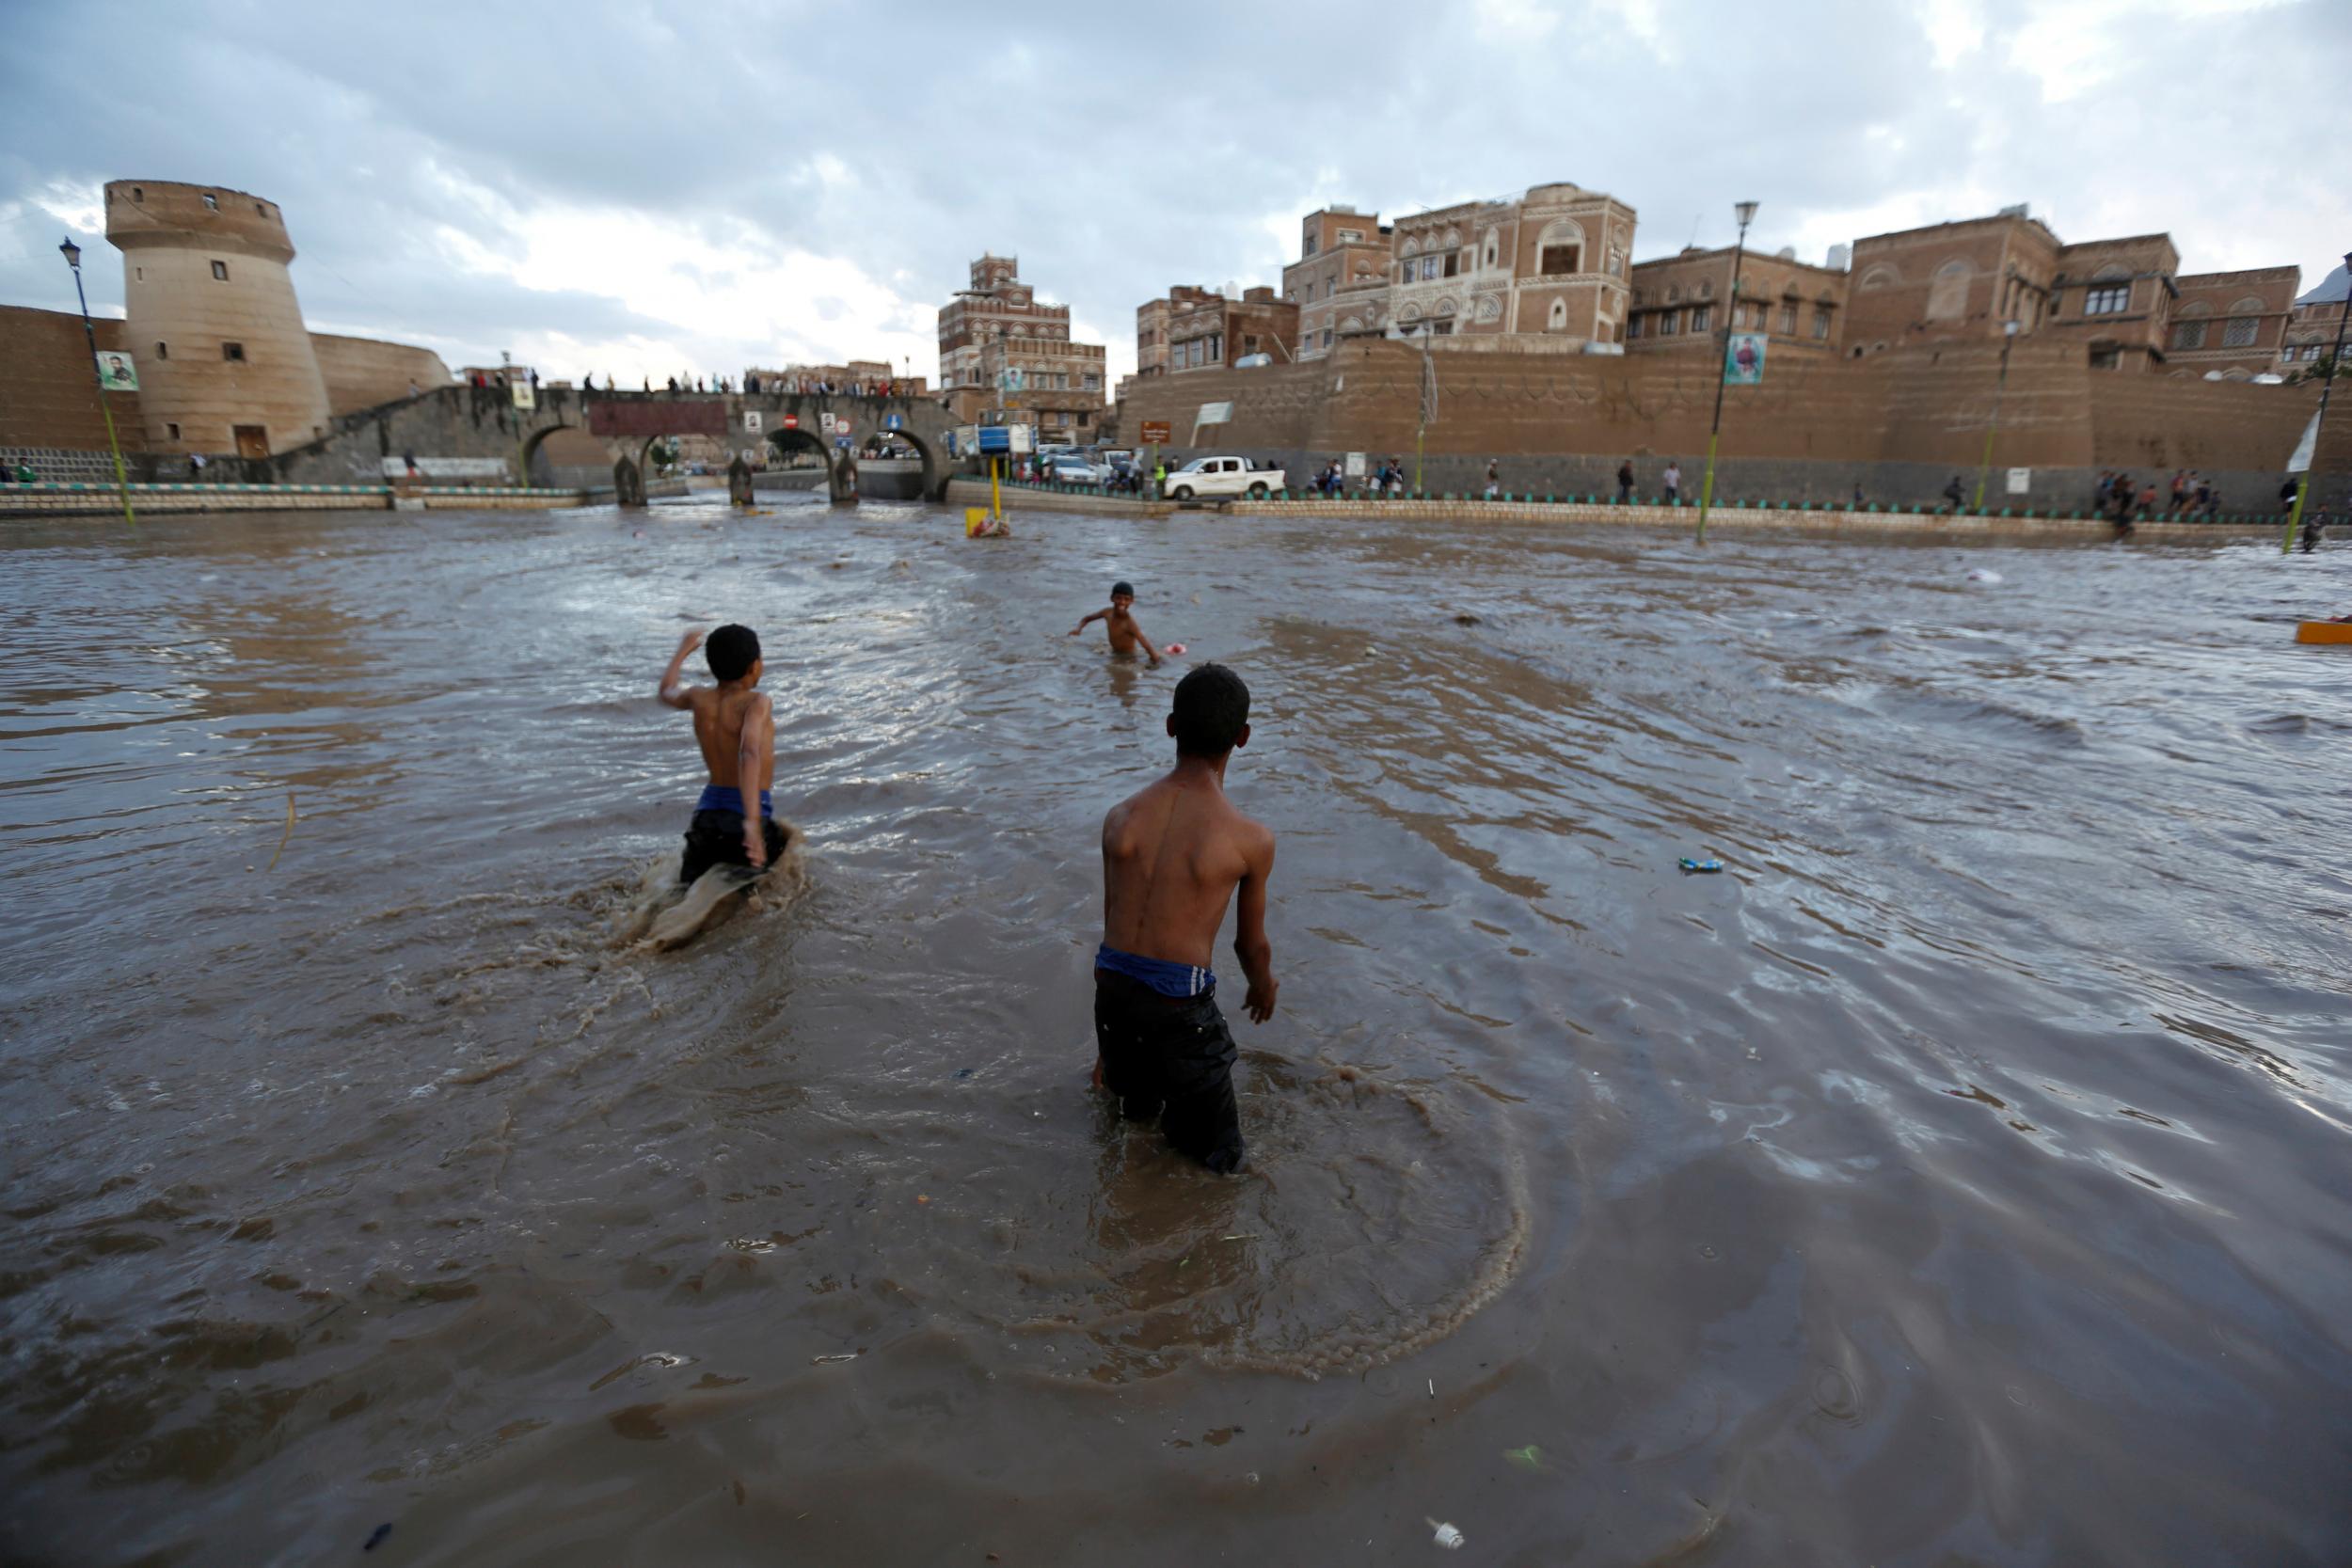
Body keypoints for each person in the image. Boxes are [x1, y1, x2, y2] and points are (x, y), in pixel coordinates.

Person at [1090, 663, 1277, 1174]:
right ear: (1243, 738)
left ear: (1170, 726)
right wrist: (1263, 986)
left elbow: (1114, 920)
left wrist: (1108, 1045)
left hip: (1112, 990)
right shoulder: (1249, 838)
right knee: (1221, 1161)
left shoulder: (1121, 815)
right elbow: (1248, 945)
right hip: (1179, 1004)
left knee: (1136, 1112)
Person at [657, 625, 791, 881]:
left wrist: (683, 649)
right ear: (754, 667)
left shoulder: (698, 698)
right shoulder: (756, 702)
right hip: (744, 815)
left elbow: (666, 692)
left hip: (706, 818)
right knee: (770, 885)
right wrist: (752, 824)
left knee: (685, 894)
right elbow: (749, 753)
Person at [1071, 580, 1162, 667]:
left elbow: (1146, 645)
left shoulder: (1130, 623)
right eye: (1118, 598)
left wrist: (1156, 662)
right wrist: (1078, 629)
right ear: (1112, 598)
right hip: (1114, 653)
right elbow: (1087, 619)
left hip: (1128, 659)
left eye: (1126, 599)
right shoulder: (1107, 613)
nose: (1122, 602)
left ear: (1132, 601)